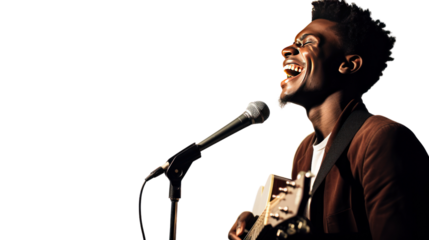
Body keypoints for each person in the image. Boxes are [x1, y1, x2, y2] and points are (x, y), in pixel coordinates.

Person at [227, 0, 429, 240]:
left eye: (307, 43)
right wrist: (257, 230)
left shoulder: (381, 140)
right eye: (293, 43)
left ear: (348, 64)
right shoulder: (304, 152)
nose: (287, 50)